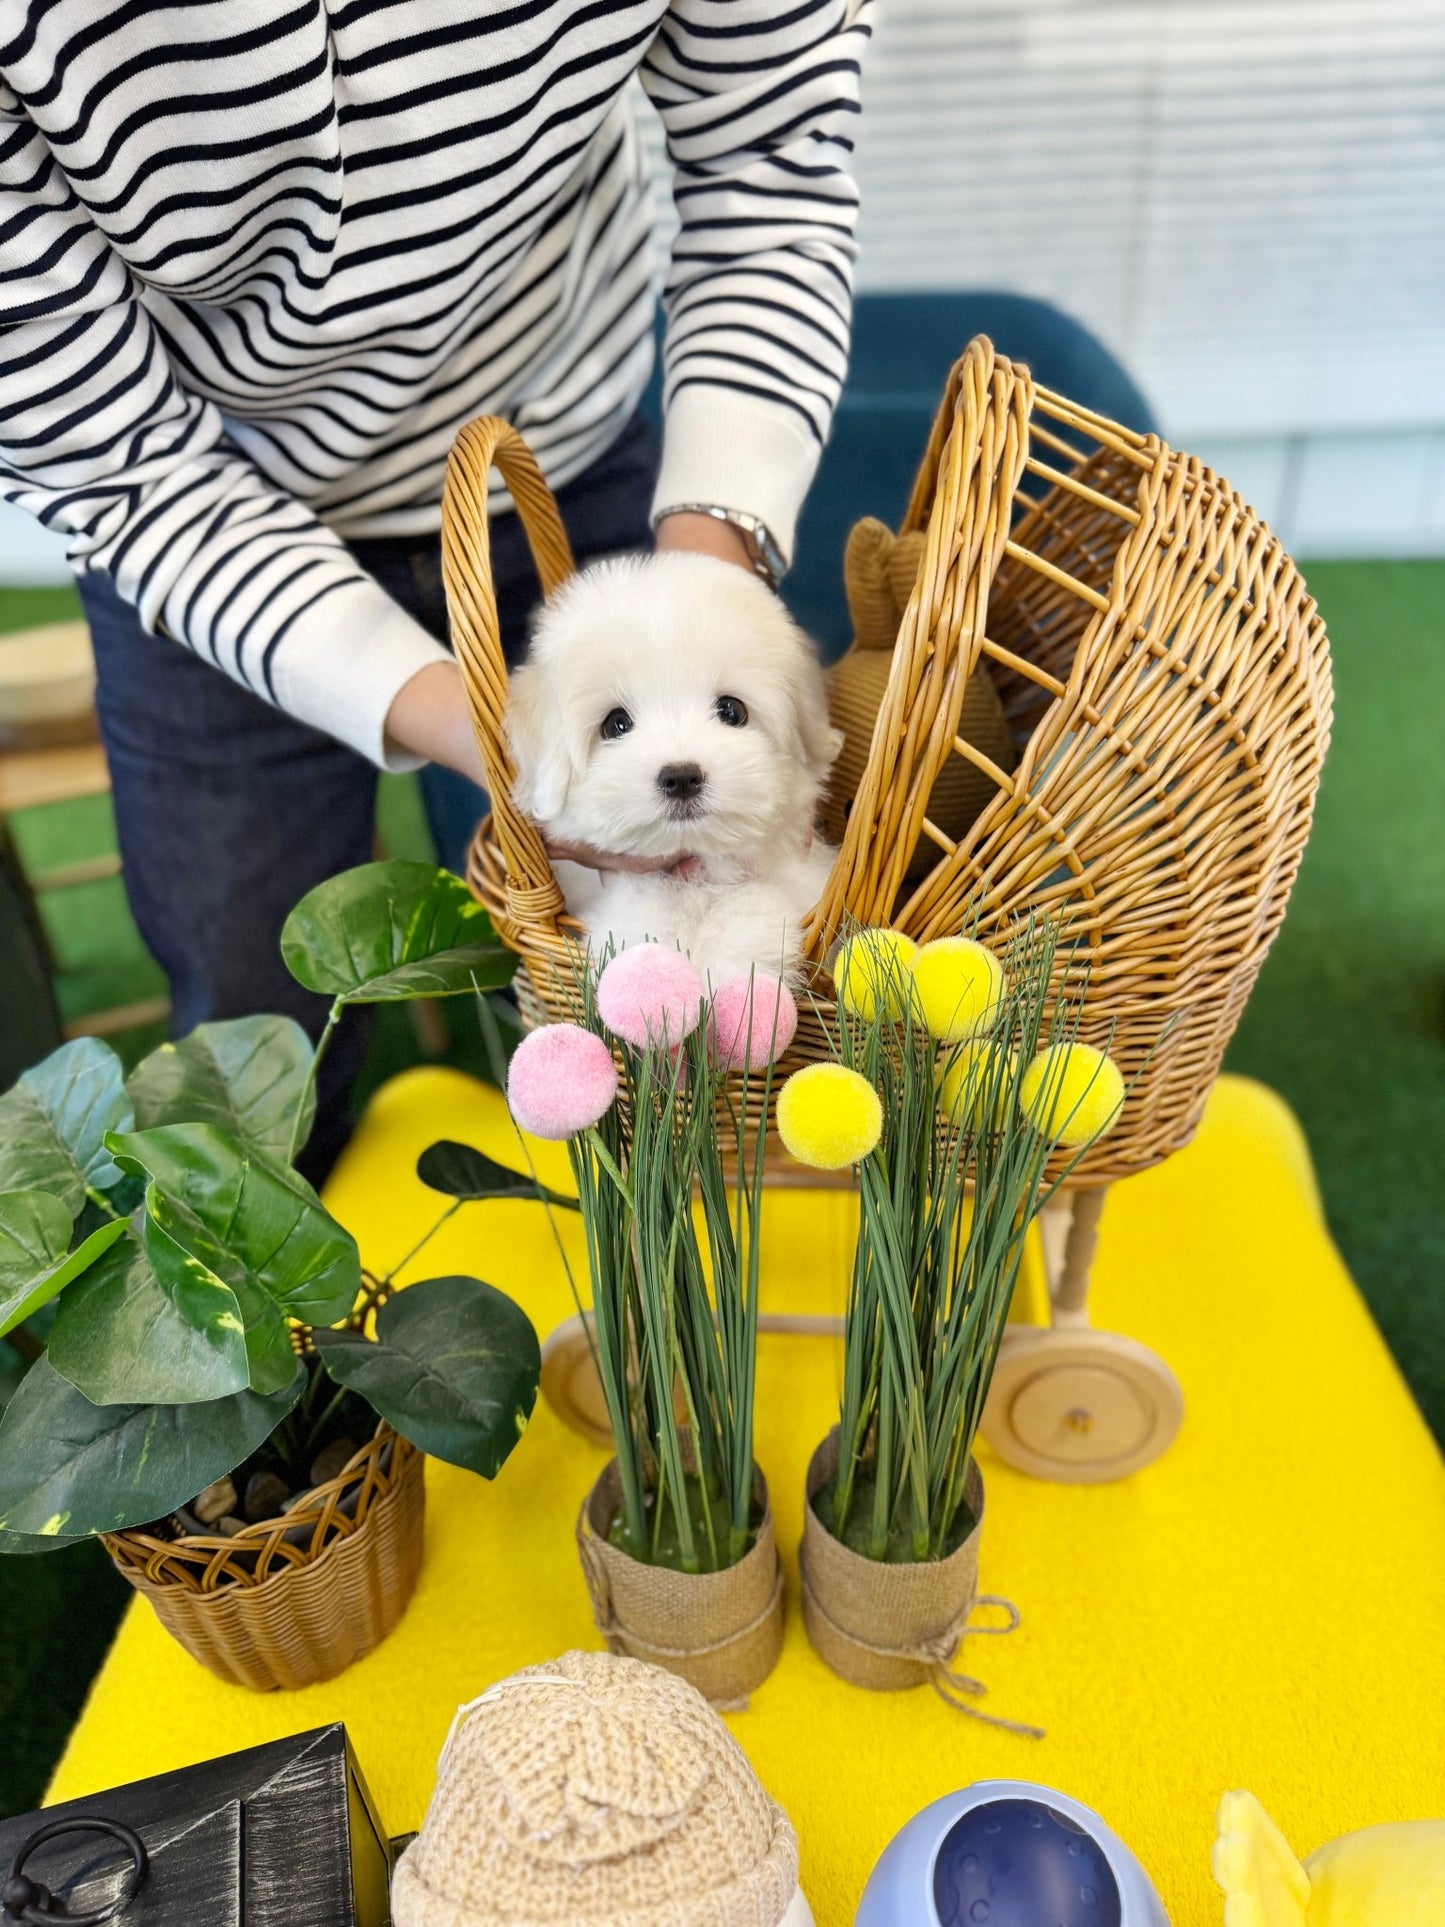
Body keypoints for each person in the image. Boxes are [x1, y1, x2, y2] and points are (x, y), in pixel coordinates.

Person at [0, 0, 874, 1177]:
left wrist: (698, 599)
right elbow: (120, 463)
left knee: (612, 1009)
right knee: (250, 1037)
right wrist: (501, 736)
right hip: (200, 522)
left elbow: (771, 157)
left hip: (573, 447)